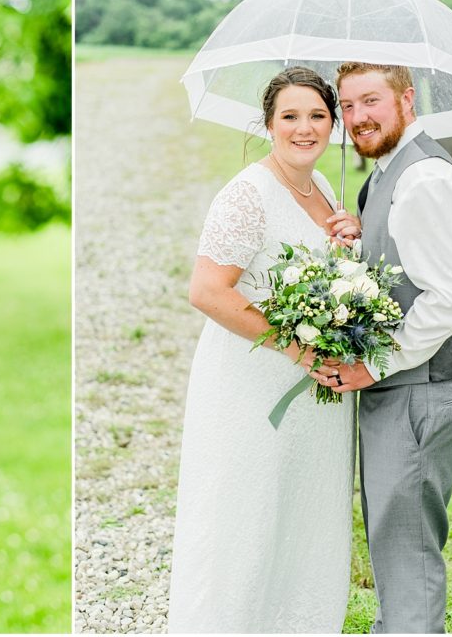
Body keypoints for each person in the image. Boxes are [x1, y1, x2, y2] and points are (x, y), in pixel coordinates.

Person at [167, 67, 361, 632]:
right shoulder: (247, 195)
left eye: (318, 116)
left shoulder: (324, 189)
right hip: (253, 389)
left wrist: (350, 237)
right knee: (245, 519)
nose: (306, 129)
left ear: (334, 122)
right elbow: (206, 290)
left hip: (316, 403)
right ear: (269, 123)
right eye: (291, 117)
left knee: (303, 520)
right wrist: (298, 350)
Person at [313, 62, 452, 633]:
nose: (357, 117)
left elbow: (449, 298)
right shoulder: (388, 171)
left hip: (420, 394)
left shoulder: (423, 179)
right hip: (408, 389)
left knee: (406, 548)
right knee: (391, 534)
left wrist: (373, 362)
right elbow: (409, 262)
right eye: (348, 105)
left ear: (406, 99)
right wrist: (361, 240)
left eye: (371, 101)